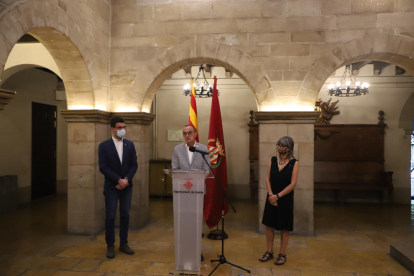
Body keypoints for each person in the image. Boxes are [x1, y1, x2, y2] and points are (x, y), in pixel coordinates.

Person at [98, 117, 138, 259]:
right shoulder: (104, 146)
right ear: (112, 129)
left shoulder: (130, 145)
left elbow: (134, 165)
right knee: (110, 216)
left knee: (125, 214)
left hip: (126, 185)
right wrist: (117, 180)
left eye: (124, 127)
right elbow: (103, 167)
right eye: (119, 127)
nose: (122, 130)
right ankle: (110, 245)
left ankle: (123, 244)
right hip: (111, 186)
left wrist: (126, 179)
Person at [171, 125, 210, 261]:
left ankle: (196, 250)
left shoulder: (203, 149)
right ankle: (184, 249)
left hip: (197, 191)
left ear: (195, 134)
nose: (187, 135)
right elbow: (174, 169)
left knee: (196, 222)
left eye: (189, 133)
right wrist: (186, 177)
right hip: (181, 191)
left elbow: (207, 169)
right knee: (184, 221)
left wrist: (196, 177)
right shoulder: (177, 149)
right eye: (184, 133)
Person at [259, 136, 299, 265]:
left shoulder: (295, 163)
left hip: (285, 198)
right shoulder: (273, 160)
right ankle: (269, 252)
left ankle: (282, 254)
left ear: (289, 148)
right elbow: (267, 178)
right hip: (271, 197)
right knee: (269, 225)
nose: (279, 148)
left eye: (282, 145)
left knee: (284, 227)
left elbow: (293, 184)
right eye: (278, 145)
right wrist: (271, 195)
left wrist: (278, 196)